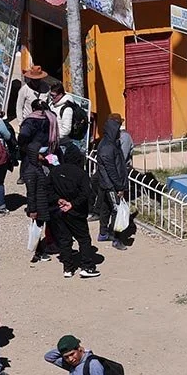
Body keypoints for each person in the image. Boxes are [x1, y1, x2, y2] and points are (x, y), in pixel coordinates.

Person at [47, 140, 100, 278]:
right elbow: (86, 194)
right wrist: (72, 204)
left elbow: (47, 189)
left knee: (65, 240)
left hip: (59, 211)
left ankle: (68, 268)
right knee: (84, 239)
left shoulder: (55, 172)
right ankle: (87, 266)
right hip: (76, 212)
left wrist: (58, 200)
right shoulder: (81, 174)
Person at [92, 116, 133, 249]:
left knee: (106, 208)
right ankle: (117, 239)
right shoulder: (108, 147)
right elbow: (112, 170)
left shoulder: (106, 143)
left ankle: (103, 233)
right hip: (111, 185)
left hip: (105, 184)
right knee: (117, 210)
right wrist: (119, 187)